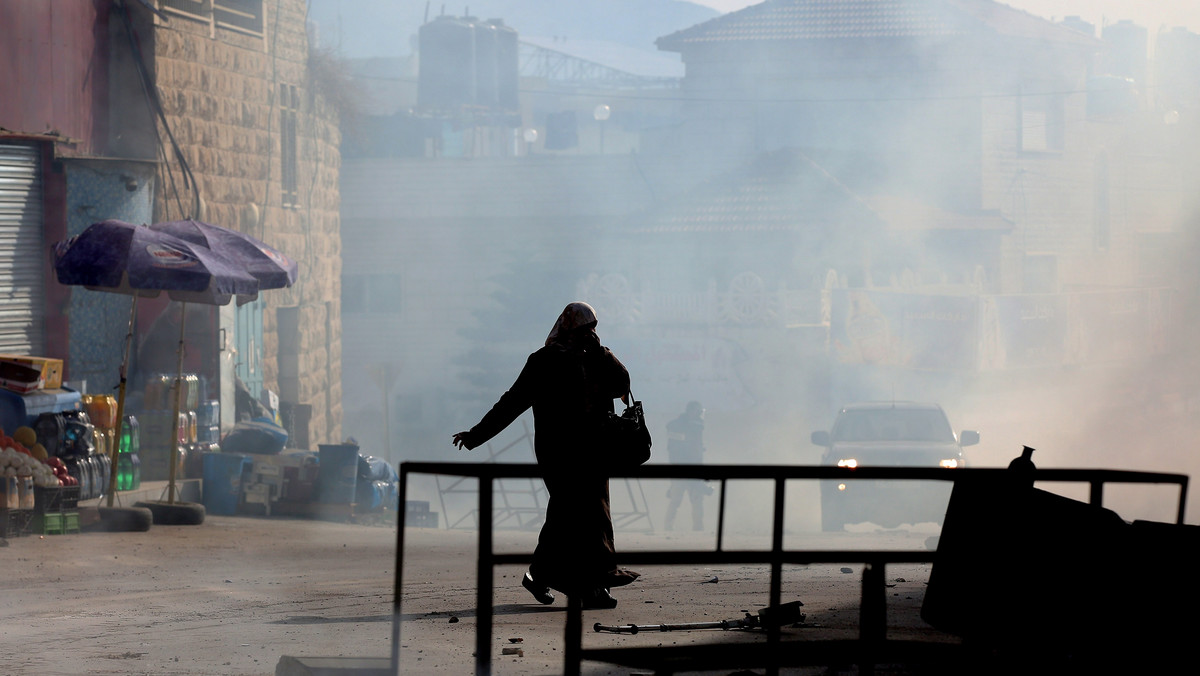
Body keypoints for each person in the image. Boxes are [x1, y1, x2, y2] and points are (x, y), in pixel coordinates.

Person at [452, 302, 639, 610]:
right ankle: (589, 584)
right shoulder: (544, 361)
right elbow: (513, 401)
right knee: (577, 514)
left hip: (595, 451)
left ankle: (555, 578)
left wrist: (601, 353)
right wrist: (476, 435)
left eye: (593, 329)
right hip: (560, 452)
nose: (589, 335)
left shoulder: (596, 359)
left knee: (581, 516)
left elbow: (623, 385)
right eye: (583, 330)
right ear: (567, 329)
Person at [664, 401, 712, 531]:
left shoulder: (696, 428)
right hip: (681, 470)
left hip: (694, 471)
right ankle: (668, 528)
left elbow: (696, 452)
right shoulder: (679, 425)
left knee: (697, 501)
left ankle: (698, 529)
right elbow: (676, 448)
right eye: (697, 411)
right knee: (676, 500)